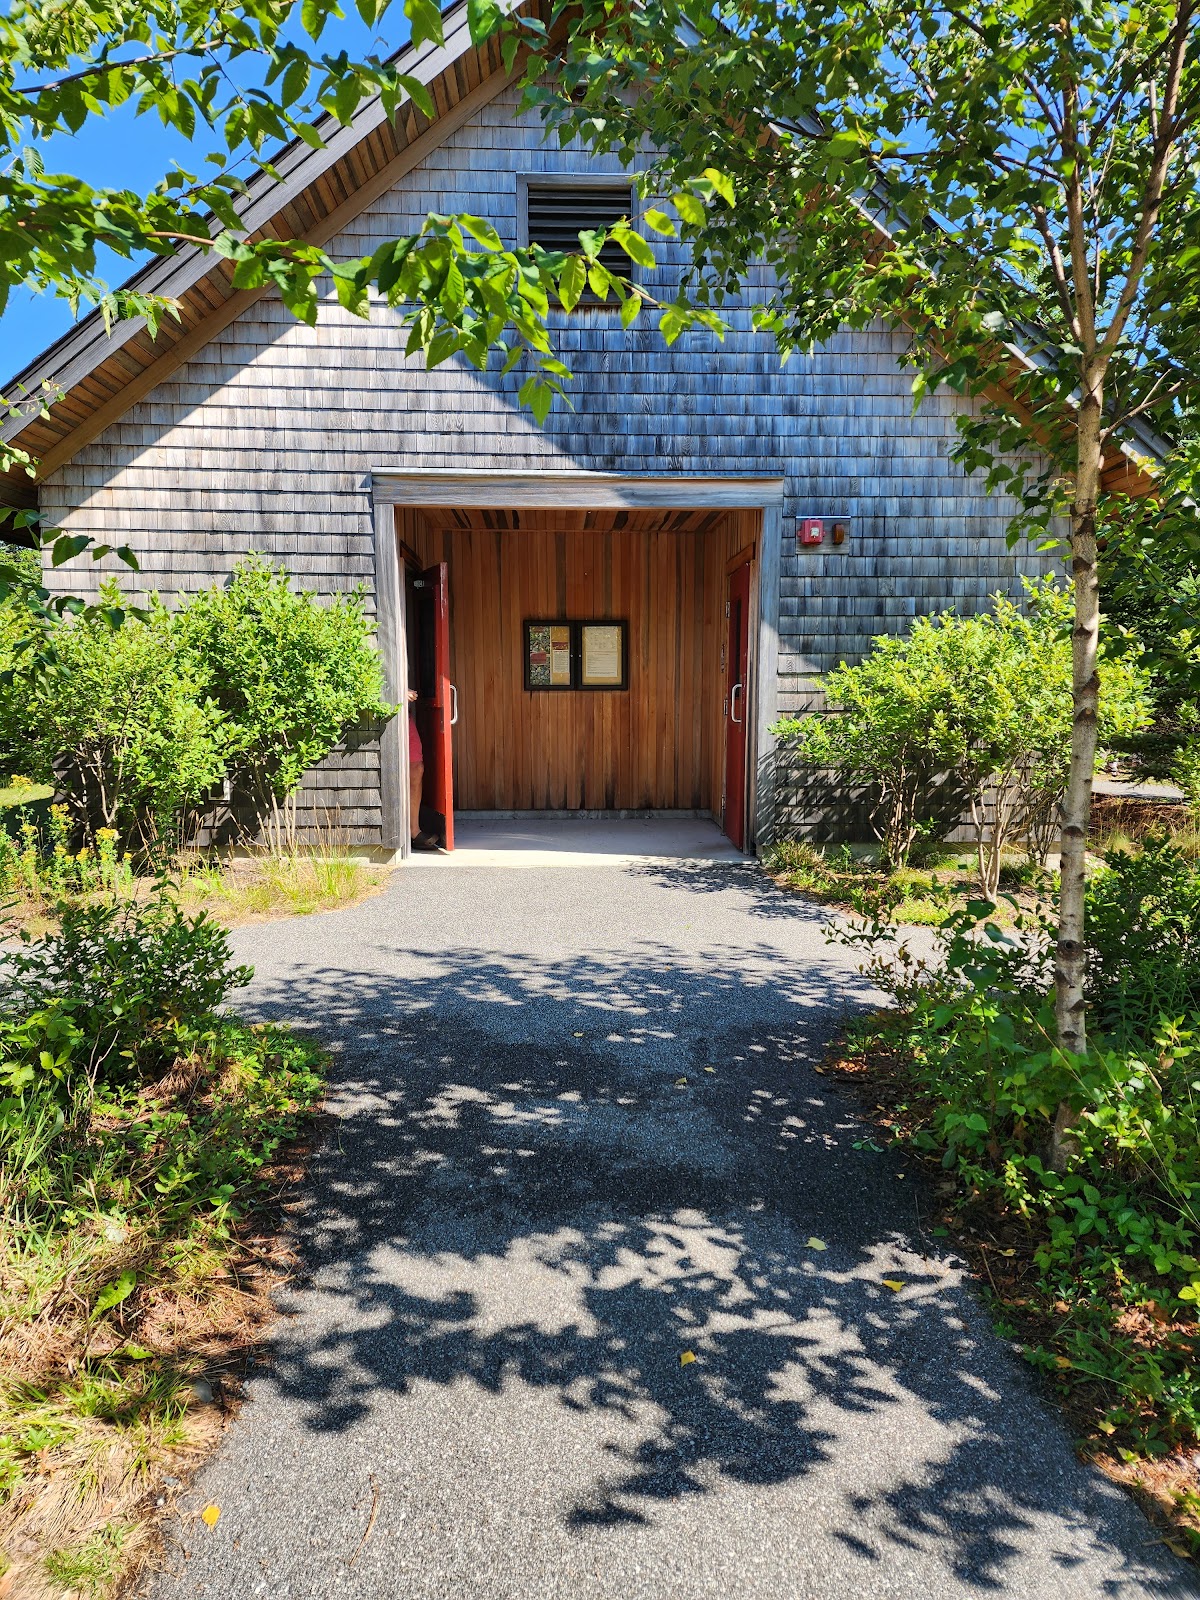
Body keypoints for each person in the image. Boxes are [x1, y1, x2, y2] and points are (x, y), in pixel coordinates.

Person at [408, 689, 439, 851]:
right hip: (383, 717)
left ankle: (414, 831)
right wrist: (398, 691)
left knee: (416, 767)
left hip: (404, 716)